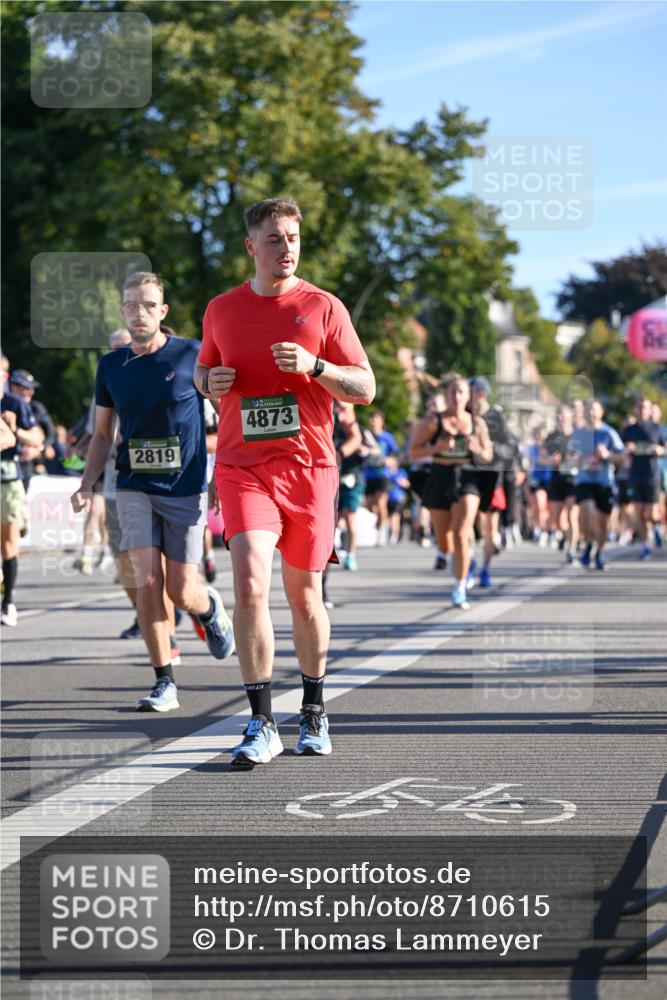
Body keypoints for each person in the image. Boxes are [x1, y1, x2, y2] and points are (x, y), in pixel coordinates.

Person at [195, 197, 375, 767]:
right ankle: (260, 721)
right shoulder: (221, 309)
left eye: (293, 237)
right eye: (274, 238)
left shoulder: (323, 308)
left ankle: (315, 709)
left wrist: (317, 368)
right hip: (243, 466)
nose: (287, 248)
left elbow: (366, 388)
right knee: (248, 583)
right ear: (252, 246)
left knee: (304, 597)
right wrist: (208, 381)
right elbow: (203, 368)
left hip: (311, 468)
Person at [71, 271, 235, 712]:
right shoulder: (111, 366)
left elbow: (227, 411)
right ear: (123, 312)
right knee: (146, 581)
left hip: (185, 486)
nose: (139, 313)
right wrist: (88, 482)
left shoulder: (191, 355)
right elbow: (103, 434)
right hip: (133, 485)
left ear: (162, 312)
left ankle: (207, 608)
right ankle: (164, 680)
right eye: (131, 306)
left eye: (148, 305)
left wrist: (223, 472)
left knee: (182, 589)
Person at [409, 373, 493, 609]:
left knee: (461, 530)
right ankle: (461, 560)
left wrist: (477, 448)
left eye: (461, 392)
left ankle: (459, 587)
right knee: (446, 543)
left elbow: (489, 455)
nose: (456, 397)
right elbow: (413, 452)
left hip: (468, 478)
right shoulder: (433, 422)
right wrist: (438, 447)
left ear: (468, 396)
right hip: (440, 477)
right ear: (445, 395)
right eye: (452, 392)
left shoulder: (477, 424)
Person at [1, 375, 43, 626]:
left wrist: (15, 431)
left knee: (8, 545)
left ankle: (8, 603)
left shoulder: (15, 404)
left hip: (9, 479)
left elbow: (36, 438)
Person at [468, 376, 516, 587]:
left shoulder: (496, 416)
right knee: (467, 523)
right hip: (468, 474)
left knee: (489, 526)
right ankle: (468, 562)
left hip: (492, 475)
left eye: (472, 393)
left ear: (481, 394)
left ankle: (485, 568)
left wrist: (489, 449)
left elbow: (510, 448)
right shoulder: (465, 415)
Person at [570, 398, 624, 571]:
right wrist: (575, 460)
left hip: (604, 483)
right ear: (584, 413)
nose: (591, 413)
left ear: (601, 412)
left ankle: (598, 552)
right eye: (588, 410)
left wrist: (607, 455)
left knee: (603, 524)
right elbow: (569, 458)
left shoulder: (609, 433)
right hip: (584, 481)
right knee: (587, 510)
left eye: (595, 410)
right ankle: (587, 544)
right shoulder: (578, 434)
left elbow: (621, 457)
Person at [621, 396, 665, 559]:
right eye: (639, 407)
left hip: (652, 475)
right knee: (638, 513)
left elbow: (665, 448)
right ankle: (646, 546)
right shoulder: (629, 430)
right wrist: (628, 449)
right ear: (635, 409)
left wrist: (659, 450)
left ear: (649, 409)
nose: (642, 410)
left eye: (645, 407)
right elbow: (620, 450)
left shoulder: (657, 428)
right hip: (635, 475)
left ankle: (657, 527)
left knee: (651, 514)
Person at [544, 404, 579, 562]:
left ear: (570, 417)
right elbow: (541, 458)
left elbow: (585, 457)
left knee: (572, 514)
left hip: (573, 479)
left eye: (563, 415)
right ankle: (566, 536)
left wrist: (576, 461)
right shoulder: (551, 437)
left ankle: (572, 548)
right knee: (558, 520)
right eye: (558, 415)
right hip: (556, 478)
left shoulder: (578, 435)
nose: (561, 418)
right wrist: (551, 460)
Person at [333, 400, 365, 572]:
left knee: (350, 519)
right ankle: (331, 554)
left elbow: (370, 448)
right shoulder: (330, 422)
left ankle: (351, 555)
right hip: (332, 478)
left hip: (352, 478)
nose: (342, 410)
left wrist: (340, 453)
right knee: (334, 521)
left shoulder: (358, 430)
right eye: (339, 406)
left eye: (345, 407)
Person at [9, 369, 55, 484]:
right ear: (13, 387)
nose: (30, 392)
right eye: (26, 388)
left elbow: (51, 435)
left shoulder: (37, 408)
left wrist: (38, 450)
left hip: (28, 468)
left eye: (31, 388)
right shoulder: (4, 405)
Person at [363, 410, 400, 546]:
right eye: (371, 419)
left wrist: (391, 461)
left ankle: (381, 532)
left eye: (376, 419)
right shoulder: (365, 437)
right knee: (370, 506)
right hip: (369, 474)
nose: (373, 422)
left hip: (383, 475)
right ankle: (379, 524)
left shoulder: (387, 438)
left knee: (381, 503)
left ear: (381, 422)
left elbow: (396, 454)